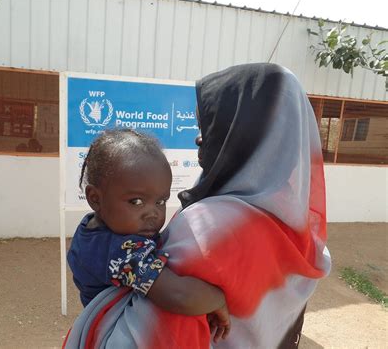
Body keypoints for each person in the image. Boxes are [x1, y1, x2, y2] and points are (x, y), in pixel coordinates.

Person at [64, 63, 331, 349]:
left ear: (242, 135)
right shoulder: (295, 223)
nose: (199, 138)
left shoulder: (211, 226)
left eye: (212, 128)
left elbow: (170, 310)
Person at [67, 129, 230, 342]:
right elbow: (178, 296)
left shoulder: (91, 227)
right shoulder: (123, 252)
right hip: (119, 333)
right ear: (95, 198)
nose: (152, 213)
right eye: (136, 202)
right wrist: (219, 301)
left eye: (161, 201)